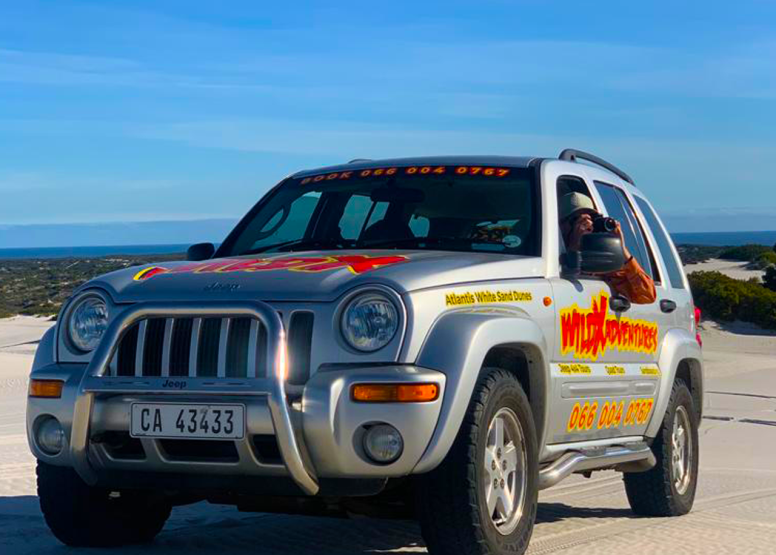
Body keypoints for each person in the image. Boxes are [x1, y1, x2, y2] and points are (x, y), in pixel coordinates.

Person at [559, 192, 656, 304]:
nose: (584, 225)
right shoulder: (548, 254)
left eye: (590, 219)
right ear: (560, 225)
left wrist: (621, 249)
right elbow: (566, 282)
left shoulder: (603, 262)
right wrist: (573, 246)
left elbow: (646, 295)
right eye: (575, 220)